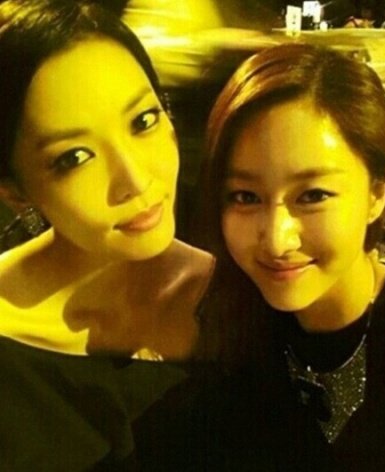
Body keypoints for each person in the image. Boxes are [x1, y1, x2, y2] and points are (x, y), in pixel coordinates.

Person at [0, 0, 215, 470]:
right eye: (74, 157)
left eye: (143, 121)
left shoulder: (244, 292)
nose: (135, 180)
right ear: (15, 191)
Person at [196, 42, 385, 471]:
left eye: (312, 195)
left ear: (377, 192)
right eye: (245, 196)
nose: (276, 240)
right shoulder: (222, 332)